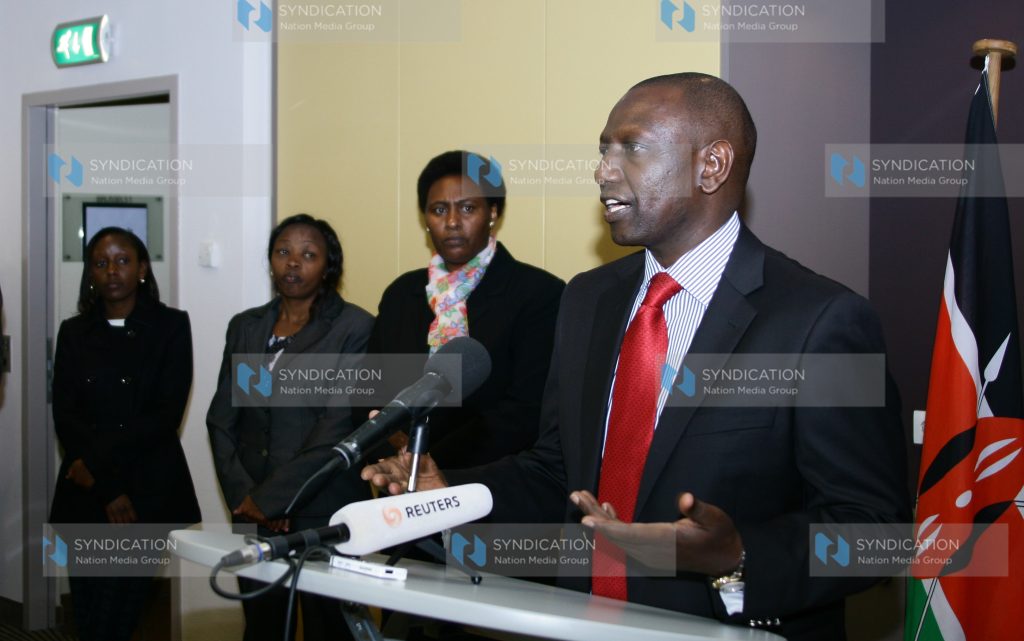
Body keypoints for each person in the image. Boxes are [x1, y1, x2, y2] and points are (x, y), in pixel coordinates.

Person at [363, 73, 911, 641]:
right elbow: (558, 471)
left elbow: (874, 531)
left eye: (632, 147)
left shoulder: (821, 320)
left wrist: (738, 555)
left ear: (712, 165)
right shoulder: (587, 299)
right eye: (603, 150)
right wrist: (449, 488)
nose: (603, 171)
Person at [207, 214, 373, 641]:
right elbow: (223, 418)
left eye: (308, 255)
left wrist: (277, 498)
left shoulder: (354, 328)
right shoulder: (247, 326)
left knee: (328, 628)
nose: (293, 264)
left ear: (328, 266)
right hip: (253, 510)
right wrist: (244, 496)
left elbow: (335, 425)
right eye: (283, 252)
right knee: (261, 626)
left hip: (322, 509)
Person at [49, 227, 201, 641]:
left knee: (117, 619)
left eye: (122, 260)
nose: (112, 270)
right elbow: (66, 414)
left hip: (144, 496)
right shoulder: (74, 331)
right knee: (89, 616)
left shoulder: (171, 326)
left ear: (142, 268)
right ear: (90, 274)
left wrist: (102, 473)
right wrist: (105, 487)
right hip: (85, 497)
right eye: (101, 263)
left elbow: (164, 414)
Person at [368, 150, 565, 468]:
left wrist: (432, 460)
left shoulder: (539, 294)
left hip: (490, 482)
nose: (452, 222)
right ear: (426, 219)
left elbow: (527, 409)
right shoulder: (401, 293)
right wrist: (396, 448)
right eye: (438, 209)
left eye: (468, 208)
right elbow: (372, 385)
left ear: (493, 213)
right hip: (397, 475)